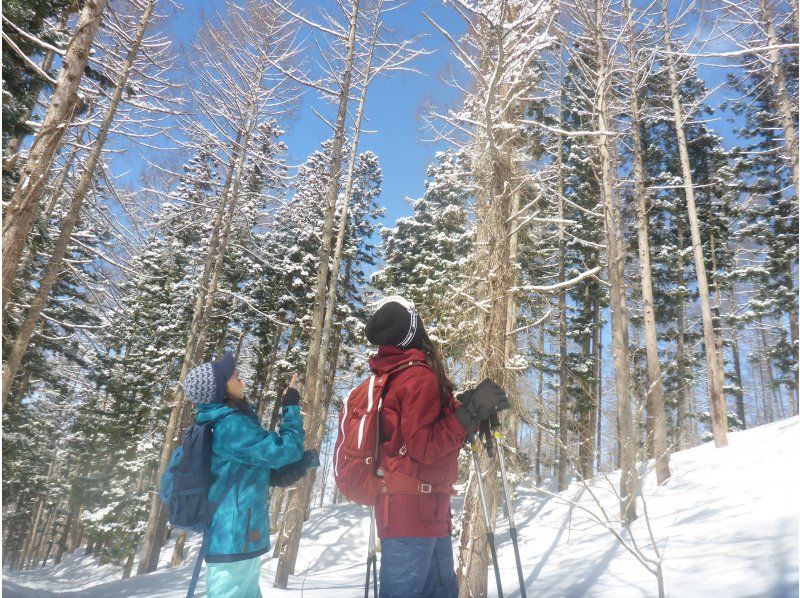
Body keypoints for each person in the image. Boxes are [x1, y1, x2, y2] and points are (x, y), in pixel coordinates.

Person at [364, 297, 509, 598]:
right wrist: (467, 416)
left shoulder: (397, 373)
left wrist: (467, 410)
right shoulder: (417, 375)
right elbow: (423, 445)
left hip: (421, 510)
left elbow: (422, 434)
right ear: (415, 330)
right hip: (413, 511)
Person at [182, 352, 308, 598]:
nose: (241, 379)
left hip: (236, 537)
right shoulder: (232, 425)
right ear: (222, 390)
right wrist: (291, 406)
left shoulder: (224, 421)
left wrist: (274, 475)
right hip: (233, 537)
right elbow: (287, 450)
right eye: (234, 376)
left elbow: (242, 469)